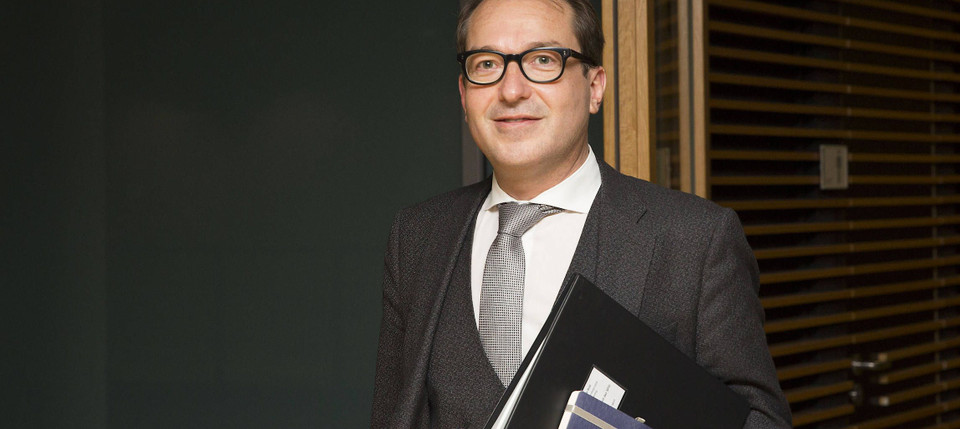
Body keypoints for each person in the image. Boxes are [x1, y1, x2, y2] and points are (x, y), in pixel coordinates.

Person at [371, 0, 792, 427]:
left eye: (543, 60)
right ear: (464, 95)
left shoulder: (695, 240)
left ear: (594, 87)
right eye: (486, 64)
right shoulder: (417, 236)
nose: (511, 90)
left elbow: (759, 420)